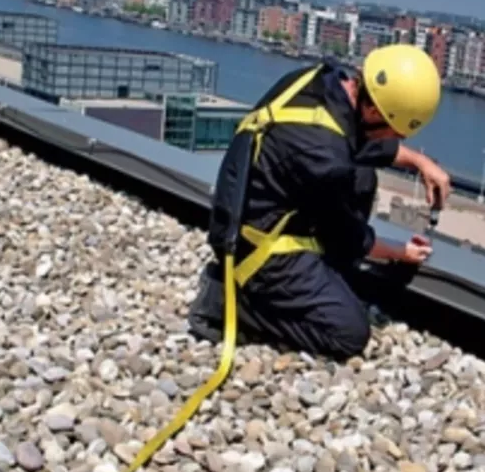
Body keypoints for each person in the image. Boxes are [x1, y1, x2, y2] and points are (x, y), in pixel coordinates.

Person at [188, 44, 452, 360]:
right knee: (349, 333)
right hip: (256, 248)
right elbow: (348, 237)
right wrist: (399, 251)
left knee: (364, 176)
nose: (395, 141)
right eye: (394, 133)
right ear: (371, 112)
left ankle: (320, 279)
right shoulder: (326, 158)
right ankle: (222, 299)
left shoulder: (319, 81)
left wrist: (420, 163)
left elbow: (358, 144)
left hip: (245, 211)